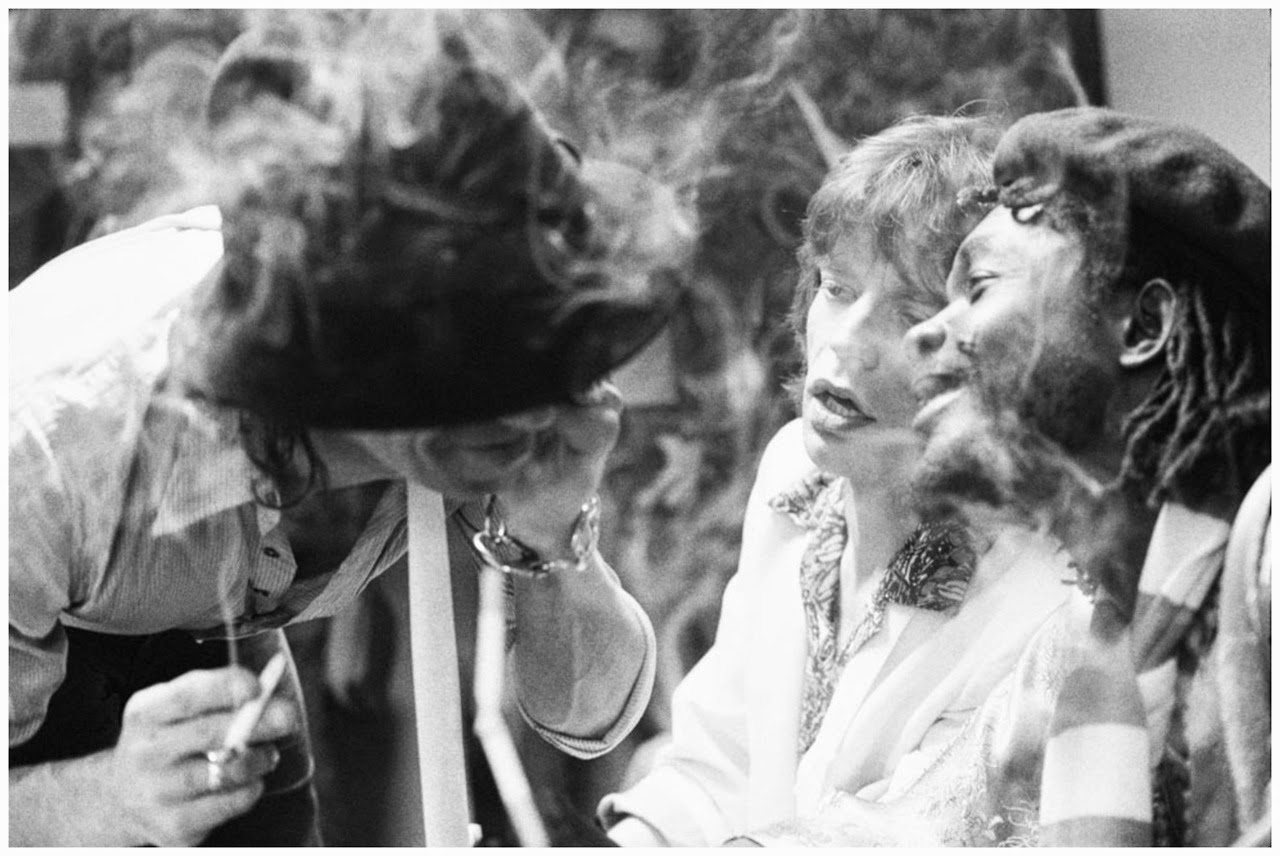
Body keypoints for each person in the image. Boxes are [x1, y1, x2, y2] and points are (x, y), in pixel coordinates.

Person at [9, 17, 687, 847]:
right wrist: (107, 799)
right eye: (485, 359)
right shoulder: (51, 440)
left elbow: (587, 720)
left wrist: (554, 537)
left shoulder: (493, 379)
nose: (535, 403)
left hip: (202, 632)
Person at [749, 107, 1269, 846]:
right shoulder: (1078, 650)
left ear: (1142, 327)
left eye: (980, 287)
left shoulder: (1266, 557)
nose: (928, 334)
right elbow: (899, 834)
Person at [596, 114, 1074, 847]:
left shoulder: (1042, 595)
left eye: (912, 313)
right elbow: (719, 765)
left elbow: (895, 837)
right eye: (837, 287)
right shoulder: (795, 472)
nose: (847, 342)